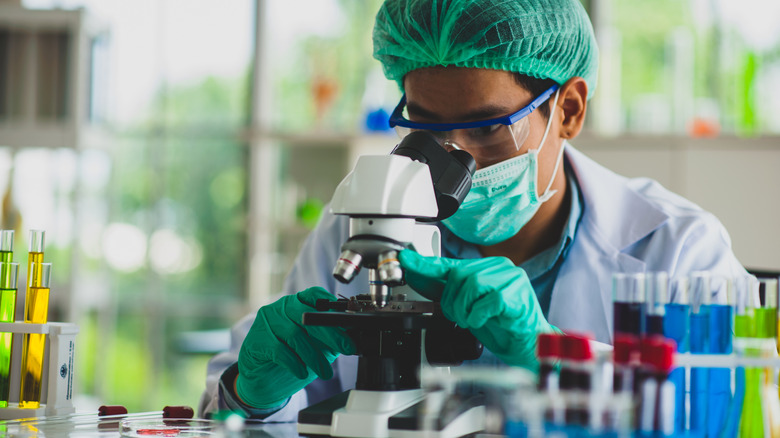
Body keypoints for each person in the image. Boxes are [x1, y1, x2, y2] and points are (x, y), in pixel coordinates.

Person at [199, 0, 745, 420]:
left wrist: (552, 356)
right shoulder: (364, 222)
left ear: (569, 110)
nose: (450, 159)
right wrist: (249, 392)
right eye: (424, 124)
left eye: (486, 127)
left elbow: (735, 416)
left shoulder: (677, 247)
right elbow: (233, 411)